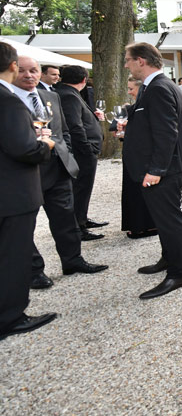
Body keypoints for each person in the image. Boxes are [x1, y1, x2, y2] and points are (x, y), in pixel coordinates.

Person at [12, 56, 108, 290]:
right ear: (13, 71)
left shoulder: (50, 96)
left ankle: (73, 260)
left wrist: (67, 155)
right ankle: (34, 271)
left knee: (66, 217)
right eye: (22, 71)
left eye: (33, 70)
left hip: (57, 168)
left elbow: (63, 130)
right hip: (24, 173)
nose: (29, 75)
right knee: (23, 226)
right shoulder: (8, 100)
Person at [122, 42, 182, 299]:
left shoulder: (159, 87)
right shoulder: (154, 86)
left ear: (141, 60)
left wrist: (156, 169)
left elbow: (167, 132)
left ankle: (179, 272)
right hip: (161, 167)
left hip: (163, 170)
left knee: (170, 219)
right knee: (164, 219)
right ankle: (168, 258)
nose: (126, 64)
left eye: (128, 59)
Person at [0, 42, 58, 341]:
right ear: (12, 66)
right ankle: (11, 317)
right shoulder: (8, 101)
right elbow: (24, 150)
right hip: (12, 193)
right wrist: (45, 145)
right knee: (13, 255)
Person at [55, 65, 108, 234]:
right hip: (82, 151)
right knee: (80, 188)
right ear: (84, 80)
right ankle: (78, 226)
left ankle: (82, 218)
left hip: (84, 149)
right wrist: (87, 149)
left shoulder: (68, 93)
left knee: (84, 187)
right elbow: (75, 126)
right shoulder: (68, 96)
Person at [118, 77, 157, 239]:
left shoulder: (148, 107)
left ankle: (143, 226)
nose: (129, 92)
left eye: (131, 89)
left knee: (141, 192)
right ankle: (138, 225)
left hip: (143, 157)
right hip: (133, 156)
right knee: (133, 193)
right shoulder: (135, 107)